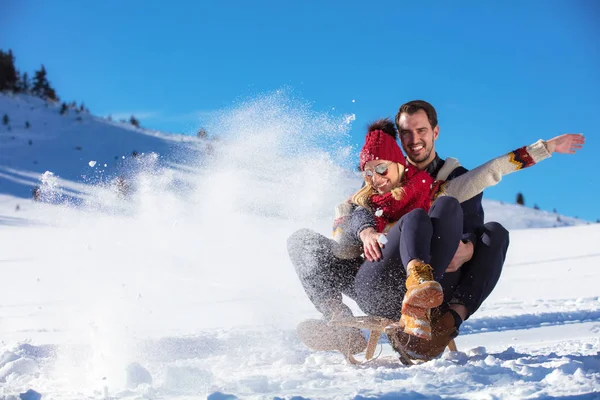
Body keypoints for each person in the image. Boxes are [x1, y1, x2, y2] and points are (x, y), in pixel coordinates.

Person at [289, 102, 584, 360]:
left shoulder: (443, 185)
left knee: (478, 225)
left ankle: (441, 325)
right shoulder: (366, 195)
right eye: (405, 133)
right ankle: (340, 324)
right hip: (375, 278)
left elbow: (488, 175)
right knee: (303, 241)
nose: (414, 139)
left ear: (435, 132)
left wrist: (468, 245)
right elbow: (346, 234)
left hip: (438, 275)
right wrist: (361, 229)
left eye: (421, 131)